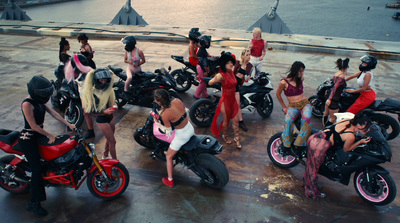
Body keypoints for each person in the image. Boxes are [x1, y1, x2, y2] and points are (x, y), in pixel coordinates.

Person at [20, 76, 75, 216]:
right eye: (43, 94)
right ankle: (34, 204)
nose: (45, 97)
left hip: (39, 134)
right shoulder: (27, 104)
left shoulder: (39, 101)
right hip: (29, 138)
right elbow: (32, 125)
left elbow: (54, 113)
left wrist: (67, 123)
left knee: (52, 156)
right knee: (37, 169)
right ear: (35, 93)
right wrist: (49, 134)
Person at [303, 109, 373, 199]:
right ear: (359, 125)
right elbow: (347, 149)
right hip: (319, 145)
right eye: (366, 127)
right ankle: (311, 192)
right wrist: (359, 142)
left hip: (318, 136)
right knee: (313, 169)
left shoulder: (348, 120)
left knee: (310, 166)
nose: (367, 130)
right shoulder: (351, 136)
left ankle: (307, 184)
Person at [153, 89, 195, 187]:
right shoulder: (177, 100)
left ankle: (170, 180)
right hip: (190, 128)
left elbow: (168, 131)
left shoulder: (165, 114)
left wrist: (157, 122)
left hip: (182, 136)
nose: (155, 101)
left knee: (169, 157)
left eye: (156, 100)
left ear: (159, 102)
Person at [81, 68, 117, 159]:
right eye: (101, 80)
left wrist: (114, 105)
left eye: (105, 80)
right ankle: (115, 162)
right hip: (102, 120)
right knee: (113, 141)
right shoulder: (92, 93)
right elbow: (90, 111)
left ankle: (105, 155)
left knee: (110, 140)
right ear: (96, 80)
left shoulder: (109, 90)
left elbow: (111, 102)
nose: (104, 82)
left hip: (110, 117)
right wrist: (104, 111)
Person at [276, 61, 312, 151]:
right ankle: (287, 144)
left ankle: (300, 144)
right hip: (293, 106)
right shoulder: (284, 82)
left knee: (306, 118)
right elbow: (278, 94)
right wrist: (284, 107)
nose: (302, 73)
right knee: (288, 121)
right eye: (301, 71)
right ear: (295, 71)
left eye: (303, 71)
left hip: (305, 103)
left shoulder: (301, 79)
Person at [209, 52, 241, 148]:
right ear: (224, 64)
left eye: (231, 62)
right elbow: (210, 82)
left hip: (233, 100)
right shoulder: (221, 75)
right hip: (225, 100)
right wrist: (217, 80)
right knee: (226, 121)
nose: (230, 64)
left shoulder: (231, 72)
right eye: (228, 63)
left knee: (236, 120)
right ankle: (225, 135)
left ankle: (237, 138)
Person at [64, 53, 96, 139]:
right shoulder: (77, 72)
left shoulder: (89, 73)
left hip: (89, 94)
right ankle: (91, 131)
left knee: (89, 113)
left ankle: (91, 131)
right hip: (82, 94)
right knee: (87, 113)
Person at [323, 58, 350, 126]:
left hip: (329, 97)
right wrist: (330, 99)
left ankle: (323, 126)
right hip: (333, 100)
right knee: (333, 119)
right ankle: (326, 130)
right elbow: (335, 88)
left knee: (326, 113)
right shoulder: (342, 77)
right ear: (346, 67)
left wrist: (328, 98)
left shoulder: (337, 74)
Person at [233, 49, 254, 131]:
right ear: (242, 56)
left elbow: (248, 77)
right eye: (247, 55)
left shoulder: (250, 66)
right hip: (231, 84)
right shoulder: (237, 63)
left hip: (237, 86)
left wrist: (248, 78)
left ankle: (241, 122)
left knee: (238, 104)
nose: (249, 56)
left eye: (249, 55)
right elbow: (231, 73)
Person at [122, 36, 146, 100]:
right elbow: (125, 60)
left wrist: (138, 63)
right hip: (130, 68)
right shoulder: (127, 51)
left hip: (137, 69)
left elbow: (143, 60)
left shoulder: (139, 51)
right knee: (129, 77)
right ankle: (125, 90)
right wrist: (130, 61)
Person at [194, 35, 212, 99]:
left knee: (204, 82)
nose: (208, 44)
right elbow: (201, 62)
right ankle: (196, 95)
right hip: (201, 67)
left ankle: (205, 94)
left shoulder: (203, 49)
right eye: (206, 43)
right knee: (202, 82)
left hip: (204, 67)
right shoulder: (201, 51)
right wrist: (204, 71)